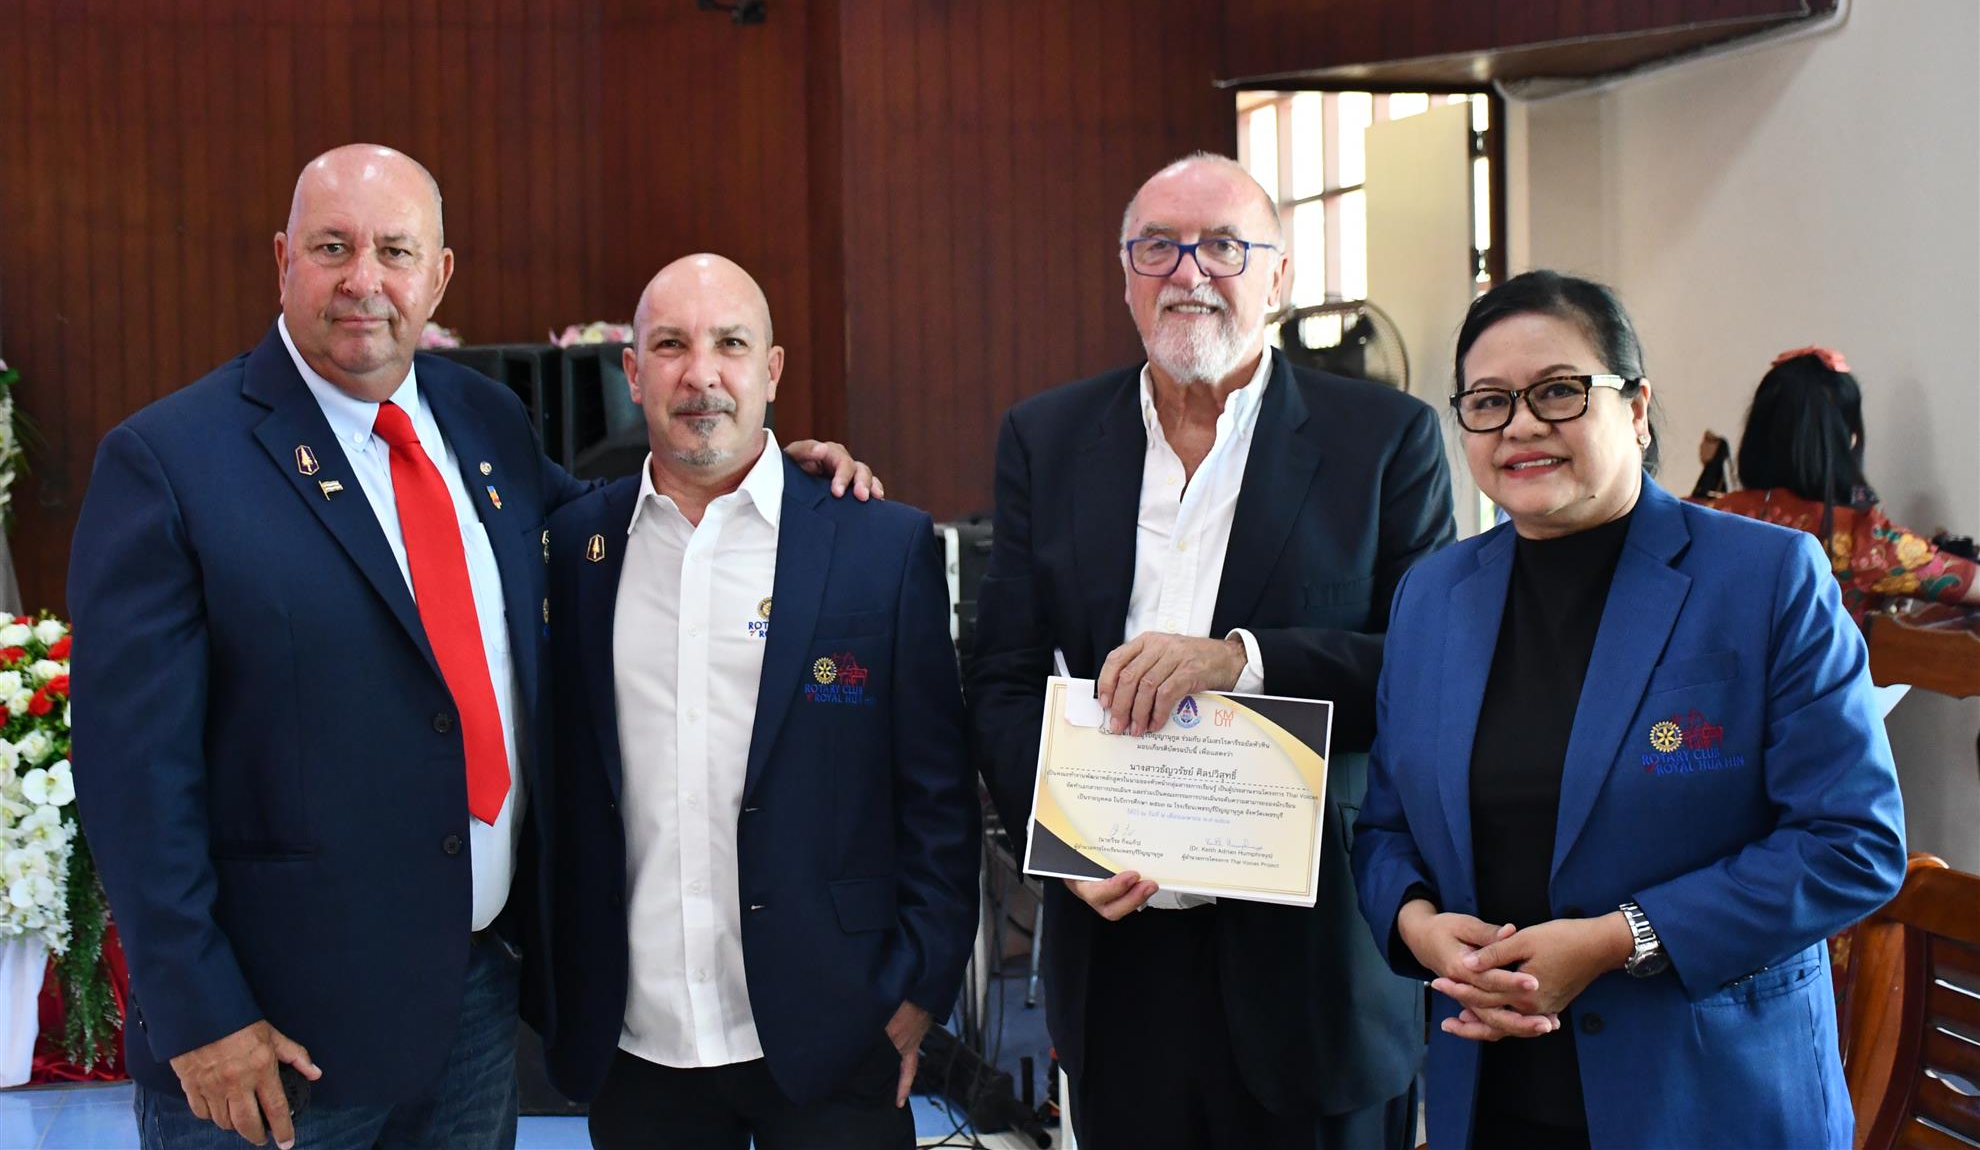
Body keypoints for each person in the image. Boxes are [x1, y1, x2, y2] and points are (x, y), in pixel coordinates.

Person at [67, 146, 873, 1150]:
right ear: (283, 260)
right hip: (271, 1041)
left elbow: (620, 529)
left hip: (474, 1010)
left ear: (440, 275)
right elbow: (130, 775)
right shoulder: (169, 462)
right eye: (333, 247)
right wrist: (199, 1012)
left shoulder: (481, 417)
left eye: (396, 251)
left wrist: (770, 481)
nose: (365, 280)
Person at [1353, 271, 1908, 1150]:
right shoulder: (1433, 597)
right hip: (1490, 1096)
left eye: (1559, 391)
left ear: (1637, 408)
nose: (1521, 425)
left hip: (1709, 1099)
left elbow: (1853, 843)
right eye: (1489, 402)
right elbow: (1385, 828)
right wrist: (1418, 926)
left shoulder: (1766, 578)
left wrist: (1622, 938)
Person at [968, 153, 1455, 1150]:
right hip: (1118, 955)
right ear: (1125, 275)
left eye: (1224, 246)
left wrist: (1244, 660)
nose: (1188, 272)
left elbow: (1428, 671)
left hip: (1311, 970)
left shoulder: (1384, 441)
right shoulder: (1047, 439)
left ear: (1278, 276)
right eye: (1158, 247)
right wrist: (1062, 843)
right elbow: (1003, 675)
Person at [541, 254, 979, 1150]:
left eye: (731, 344)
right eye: (671, 345)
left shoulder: (878, 544)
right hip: (639, 1039)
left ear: (772, 370)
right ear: (632, 373)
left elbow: (938, 793)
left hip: (838, 1030)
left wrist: (919, 988)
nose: (701, 374)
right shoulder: (575, 546)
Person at [1696, 346, 1980, 626]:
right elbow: (1968, 582)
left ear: (1756, 433)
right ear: (1850, 439)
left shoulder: (1709, 516)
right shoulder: (1864, 539)